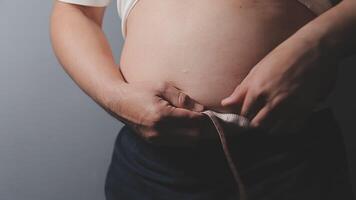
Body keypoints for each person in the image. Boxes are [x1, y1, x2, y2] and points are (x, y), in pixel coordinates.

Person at [50, 0, 356, 199]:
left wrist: (318, 43)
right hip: (153, 160)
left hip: (287, 152)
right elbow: (76, 10)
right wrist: (116, 97)